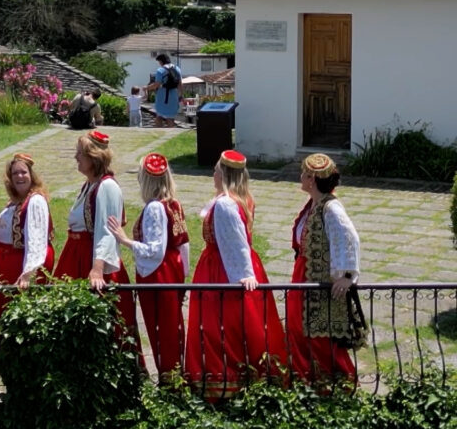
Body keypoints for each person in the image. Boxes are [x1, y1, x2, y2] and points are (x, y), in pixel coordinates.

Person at [184, 150, 288, 401]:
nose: (213, 173)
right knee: (242, 324)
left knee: (219, 325)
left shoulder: (226, 205)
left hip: (222, 268)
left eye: (217, 169)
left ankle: (226, 383)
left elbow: (235, 243)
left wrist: (241, 275)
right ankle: (250, 379)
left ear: (225, 174)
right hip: (234, 263)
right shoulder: (241, 198)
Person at [54, 131, 142, 364]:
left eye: (80, 154)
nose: (76, 158)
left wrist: (97, 268)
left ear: (93, 157)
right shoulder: (89, 185)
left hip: (93, 261)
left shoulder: (107, 187)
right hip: (76, 256)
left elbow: (107, 231)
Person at [107, 153, 190, 382]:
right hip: (172, 270)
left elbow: (155, 250)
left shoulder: (154, 208)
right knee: (172, 327)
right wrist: (183, 274)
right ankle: (174, 376)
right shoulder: (173, 204)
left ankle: (169, 381)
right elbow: (184, 244)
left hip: (158, 274)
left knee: (161, 328)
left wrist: (125, 241)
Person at [286, 153, 362, 385]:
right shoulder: (314, 204)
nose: (300, 177)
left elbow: (349, 237)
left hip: (317, 282)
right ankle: (306, 380)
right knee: (298, 328)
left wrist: (347, 275)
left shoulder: (331, 208)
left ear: (312, 180)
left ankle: (333, 384)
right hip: (304, 274)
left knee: (318, 336)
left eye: (304, 174)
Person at [0, 152, 53, 300]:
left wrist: (28, 272)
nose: (19, 177)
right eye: (15, 173)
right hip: (7, 264)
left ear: (31, 175)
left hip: (21, 264)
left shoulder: (35, 201)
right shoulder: (15, 201)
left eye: (23, 172)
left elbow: (37, 240)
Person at [144, 54, 180, 128]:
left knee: (159, 116)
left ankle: (159, 131)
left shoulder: (160, 70)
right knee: (170, 118)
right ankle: (171, 133)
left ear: (161, 61)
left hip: (163, 96)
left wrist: (146, 88)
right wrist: (181, 95)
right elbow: (180, 84)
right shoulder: (177, 68)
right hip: (174, 96)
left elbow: (156, 84)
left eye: (159, 62)